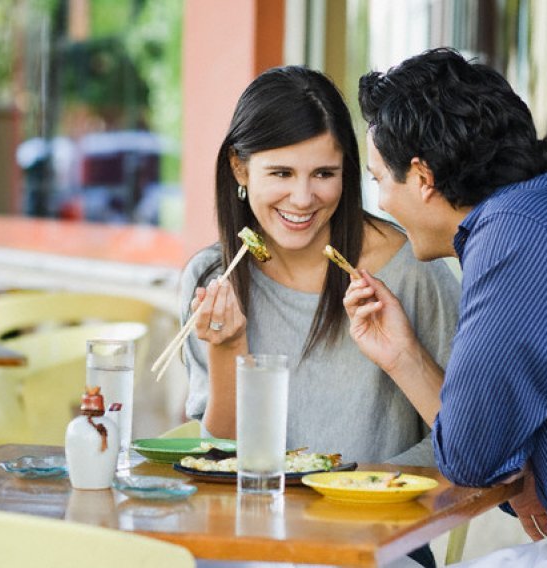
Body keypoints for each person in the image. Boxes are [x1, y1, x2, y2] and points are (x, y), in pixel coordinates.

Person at [346, 47, 547, 566]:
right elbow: (488, 450)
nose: (381, 202)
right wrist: (403, 355)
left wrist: (508, 463)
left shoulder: (515, 241)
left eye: (378, 180)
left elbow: (472, 459)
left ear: (422, 176)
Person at [180, 66, 461, 568]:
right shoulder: (212, 278)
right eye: (282, 174)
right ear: (240, 170)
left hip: (375, 540)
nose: (304, 198)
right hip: (251, 543)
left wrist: (349, 493)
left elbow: (464, 436)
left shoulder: (410, 269)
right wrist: (228, 349)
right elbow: (222, 458)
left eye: (324, 174)